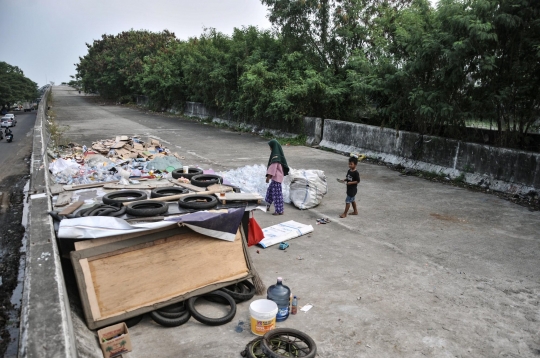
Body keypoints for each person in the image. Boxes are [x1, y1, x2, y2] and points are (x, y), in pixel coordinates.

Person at [265, 139, 289, 216]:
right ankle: (267, 205)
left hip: (276, 179)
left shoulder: (275, 157)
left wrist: (268, 177)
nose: (270, 148)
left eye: (270, 147)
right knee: (270, 192)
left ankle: (279, 210)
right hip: (276, 179)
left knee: (277, 195)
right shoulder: (277, 155)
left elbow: (273, 168)